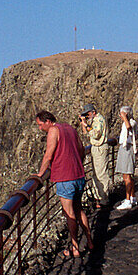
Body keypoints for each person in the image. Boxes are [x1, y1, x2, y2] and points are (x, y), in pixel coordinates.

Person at [35, 110, 94, 257]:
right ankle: (90, 241)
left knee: (70, 214)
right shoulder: (69, 128)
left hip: (65, 178)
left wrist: (40, 174)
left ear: (48, 121)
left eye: (40, 125)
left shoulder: (54, 130)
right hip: (78, 175)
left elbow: (48, 154)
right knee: (79, 209)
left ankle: (75, 248)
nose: (40, 128)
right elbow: (81, 149)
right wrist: (77, 164)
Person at [79, 103, 112, 203]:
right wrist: (83, 124)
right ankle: (98, 196)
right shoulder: (94, 120)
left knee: (101, 174)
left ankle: (104, 199)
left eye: (87, 114)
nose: (87, 116)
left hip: (100, 148)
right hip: (95, 148)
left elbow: (96, 134)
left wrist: (86, 125)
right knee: (96, 174)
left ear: (93, 112)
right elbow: (86, 134)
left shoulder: (99, 120)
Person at [113, 105, 137, 211]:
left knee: (126, 176)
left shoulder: (130, 122)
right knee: (127, 175)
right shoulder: (129, 122)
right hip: (125, 148)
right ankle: (132, 197)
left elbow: (128, 127)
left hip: (127, 149)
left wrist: (125, 117)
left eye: (121, 113)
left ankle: (127, 201)